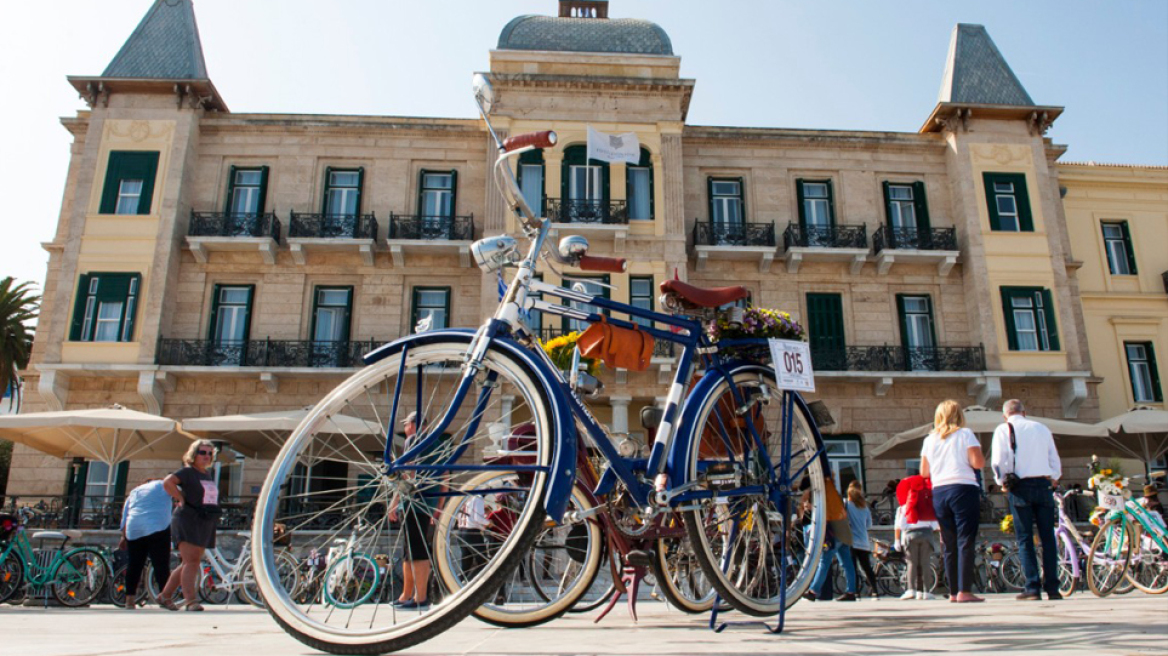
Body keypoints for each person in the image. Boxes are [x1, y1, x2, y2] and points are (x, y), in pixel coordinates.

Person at [990, 399, 1062, 601]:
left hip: (1020, 487)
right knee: (1048, 537)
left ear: (1005, 414)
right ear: (1024, 412)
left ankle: (1032, 586)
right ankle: (1053, 587)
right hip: (1043, 484)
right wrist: (1054, 477)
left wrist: (1002, 481)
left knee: (1024, 538)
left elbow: (998, 461)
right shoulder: (1041, 428)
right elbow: (1054, 458)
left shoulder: (1003, 429)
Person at [920, 400, 985, 603]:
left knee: (948, 543)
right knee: (965, 539)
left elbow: (924, 472)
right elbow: (978, 463)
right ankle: (965, 590)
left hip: (940, 491)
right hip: (963, 488)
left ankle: (954, 591)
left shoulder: (929, 440)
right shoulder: (965, 434)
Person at [159, 439, 221, 611]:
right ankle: (190, 601)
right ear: (194, 454)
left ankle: (165, 596)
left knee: (190, 561)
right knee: (191, 561)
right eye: (203, 453)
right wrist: (180, 498)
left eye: (210, 453)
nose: (207, 456)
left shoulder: (206, 474)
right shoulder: (188, 472)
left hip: (203, 520)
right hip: (188, 518)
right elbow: (167, 482)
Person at [388, 412, 435, 609]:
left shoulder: (413, 440)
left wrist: (394, 501)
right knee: (411, 550)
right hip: (427, 502)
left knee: (415, 550)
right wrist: (438, 508)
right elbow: (446, 477)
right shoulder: (437, 441)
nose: (405, 428)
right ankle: (407, 595)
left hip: (414, 501)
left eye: (406, 424)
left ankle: (419, 597)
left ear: (414, 425)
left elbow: (408, 472)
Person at [118, 477, 172, 609]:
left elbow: (125, 515)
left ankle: (129, 600)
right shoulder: (164, 485)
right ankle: (165, 597)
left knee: (134, 565)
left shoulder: (134, 491)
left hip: (134, 528)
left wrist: (123, 537)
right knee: (161, 564)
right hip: (157, 526)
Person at [804, 477, 858, 602]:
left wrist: (811, 508)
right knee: (846, 563)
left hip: (834, 533)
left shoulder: (826, 494)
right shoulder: (834, 493)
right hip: (843, 531)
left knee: (824, 561)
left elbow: (826, 513)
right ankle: (851, 591)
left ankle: (813, 591)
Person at [894, 475, 940, 600]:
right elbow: (935, 526)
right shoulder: (927, 503)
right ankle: (926, 591)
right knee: (925, 563)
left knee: (911, 564)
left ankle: (911, 590)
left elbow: (900, 525)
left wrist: (897, 540)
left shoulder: (904, 506)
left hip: (910, 535)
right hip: (926, 534)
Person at [845, 481, 879, 598]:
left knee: (852, 568)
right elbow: (869, 525)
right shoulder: (865, 507)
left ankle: (855, 591)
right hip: (864, 541)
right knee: (867, 567)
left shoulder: (847, 505)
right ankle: (875, 590)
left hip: (852, 540)